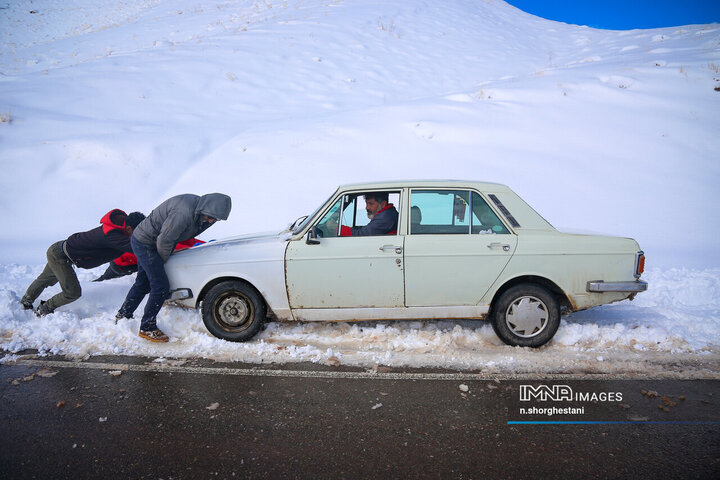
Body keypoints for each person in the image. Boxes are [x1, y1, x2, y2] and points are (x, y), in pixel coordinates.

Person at [116, 193, 232, 343]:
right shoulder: (183, 213)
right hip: (145, 242)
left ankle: (123, 315)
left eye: (215, 219)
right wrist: (161, 262)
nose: (211, 221)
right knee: (160, 286)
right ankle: (147, 327)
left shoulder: (204, 214)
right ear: (206, 207)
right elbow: (164, 240)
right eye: (210, 217)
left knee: (143, 283)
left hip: (153, 241)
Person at [21, 209, 138, 316]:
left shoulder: (117, 230)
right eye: (137, 232)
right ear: (128, 228)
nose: (137, 236)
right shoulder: (113, 234)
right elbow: (135, 247)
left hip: (59, 251)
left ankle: (25, 303)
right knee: (72, 292)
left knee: (45, 279)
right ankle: (44, 308)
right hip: (60, 255)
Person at [93, 237, 204, 282]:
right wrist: (198, 247)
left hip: (121, 258)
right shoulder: (165, 240)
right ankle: (95, 287)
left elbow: (190, 241)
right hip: (122, 264)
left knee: (105, 278)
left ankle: (95, 283)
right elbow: (180, 247)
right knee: (108, 280)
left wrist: (207, 244)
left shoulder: (171, 235)